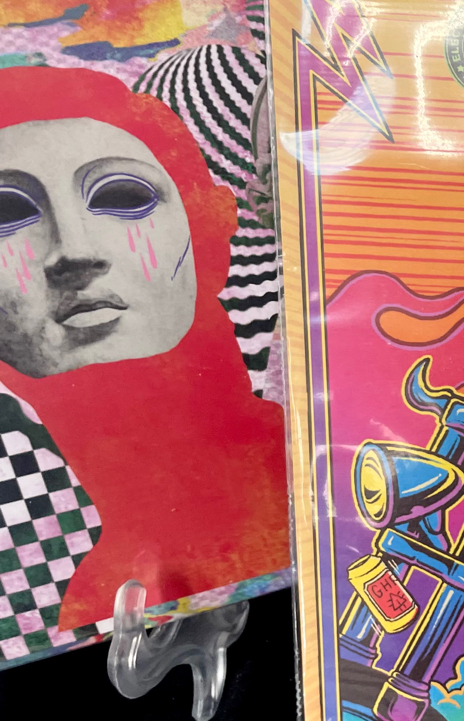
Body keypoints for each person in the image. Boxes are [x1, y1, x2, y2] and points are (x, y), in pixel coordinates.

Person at [0, 67, 290, 634]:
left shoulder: (334, 474)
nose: (73, 251)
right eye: (9, 214)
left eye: (122, 197)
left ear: (209, 229)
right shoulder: (52, 569)